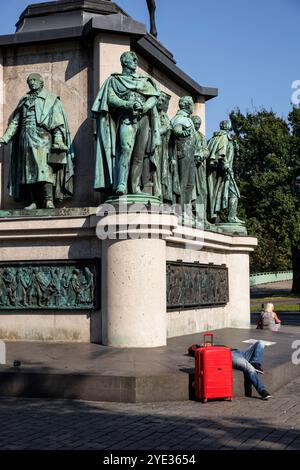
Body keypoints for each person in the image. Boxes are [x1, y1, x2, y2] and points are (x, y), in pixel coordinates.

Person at [0, 73, 75, 209]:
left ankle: (48, 199)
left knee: (44, 169)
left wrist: (58, 139)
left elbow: (58, 122)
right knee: (27, 172)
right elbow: (15, 122)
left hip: (43, 138)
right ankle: (33, 201)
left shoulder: (51, 100)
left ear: (41, 82)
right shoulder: (24, 101)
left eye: (34, 80)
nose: (31, 83)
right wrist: (5, 137)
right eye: (29, 81)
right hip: (25, 139)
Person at [91, 51, 161, 196]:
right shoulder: (115, 80)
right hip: (126, 118)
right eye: (132, 58)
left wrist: (145, 106)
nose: (136, 60)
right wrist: (129, 104)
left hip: (143, 119)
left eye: (136, 58)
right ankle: (121, 184)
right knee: (125, 149)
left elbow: (154, 97)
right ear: (124, 62)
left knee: (139, 155)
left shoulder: (144, 80)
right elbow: (110, 99)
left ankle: (135, 187)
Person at [207, 119, 244, 224]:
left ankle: (216, 216)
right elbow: (221, 154)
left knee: (217, 195)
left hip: (219, 173)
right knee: (235, 194)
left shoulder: (215, 138)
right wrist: (227, 166)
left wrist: (235, 149)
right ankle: (231, 217)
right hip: (224, 172)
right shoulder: (223, 138)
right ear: (228, 126)